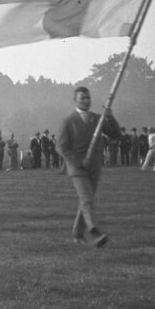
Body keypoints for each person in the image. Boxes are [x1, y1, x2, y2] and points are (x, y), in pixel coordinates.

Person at [56, 86, 121, 248]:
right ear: (75, 100)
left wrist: (110, 118)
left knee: (86, 200)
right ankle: (93, 231)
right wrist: (78, 162)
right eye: (82, 98)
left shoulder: (97, 119)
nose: (86, 100)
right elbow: (61, 147)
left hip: (94, 167)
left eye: (88, 97)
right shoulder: (68, 121)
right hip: (77, 168)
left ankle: (77, 234)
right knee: (87, 198)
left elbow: (115, 134)